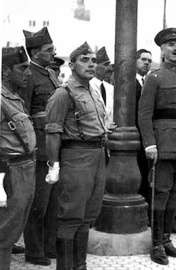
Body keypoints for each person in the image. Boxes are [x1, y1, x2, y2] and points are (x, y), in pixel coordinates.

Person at [45, 42, 108, 270]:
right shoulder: (63, 94)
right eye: (84, 60)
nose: (91, 64)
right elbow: (53, 132)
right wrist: (55, 167)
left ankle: (80, 266)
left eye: (93, 60)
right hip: (76, 157)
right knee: (70, 215)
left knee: (87, 215)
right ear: (71, 65)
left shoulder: (94, 91)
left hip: (98, 155)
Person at [138, 27, 176, 265]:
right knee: (160, 194)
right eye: (171, 45)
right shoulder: (154, 78)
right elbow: (144, 114)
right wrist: (150, 144)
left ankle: (166, 239)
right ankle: (155, 244)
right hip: (163, 145)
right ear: (162, 50)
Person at [20, 26, 61, 266]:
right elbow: (23, 112)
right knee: (39, 202)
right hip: (40, 145)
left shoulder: (49, 74)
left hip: (54, 144)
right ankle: (34, 251)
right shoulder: (29, 75)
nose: (53, 52)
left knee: (53, 201)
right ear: (35, 53)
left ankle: (48, 246)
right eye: (49, 49)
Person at [0, 46, 36, 270]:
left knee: (12, 231)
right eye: (22, 68)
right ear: (5, 71)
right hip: (10, 172)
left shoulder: (14, 98)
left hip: (25, 169)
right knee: (4, 234)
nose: (28, 73)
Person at [135, 48, 153, 224]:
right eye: (143, 59)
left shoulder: (149, 82)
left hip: (146, 138)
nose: (146, 63)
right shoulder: (131, 83)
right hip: (135, 137)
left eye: (149, 60)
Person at [90, 46, 114, 128]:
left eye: (109, 64)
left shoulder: (111, 88)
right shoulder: (88, 86)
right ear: (95, 66)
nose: (110, 68)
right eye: (106, 65)